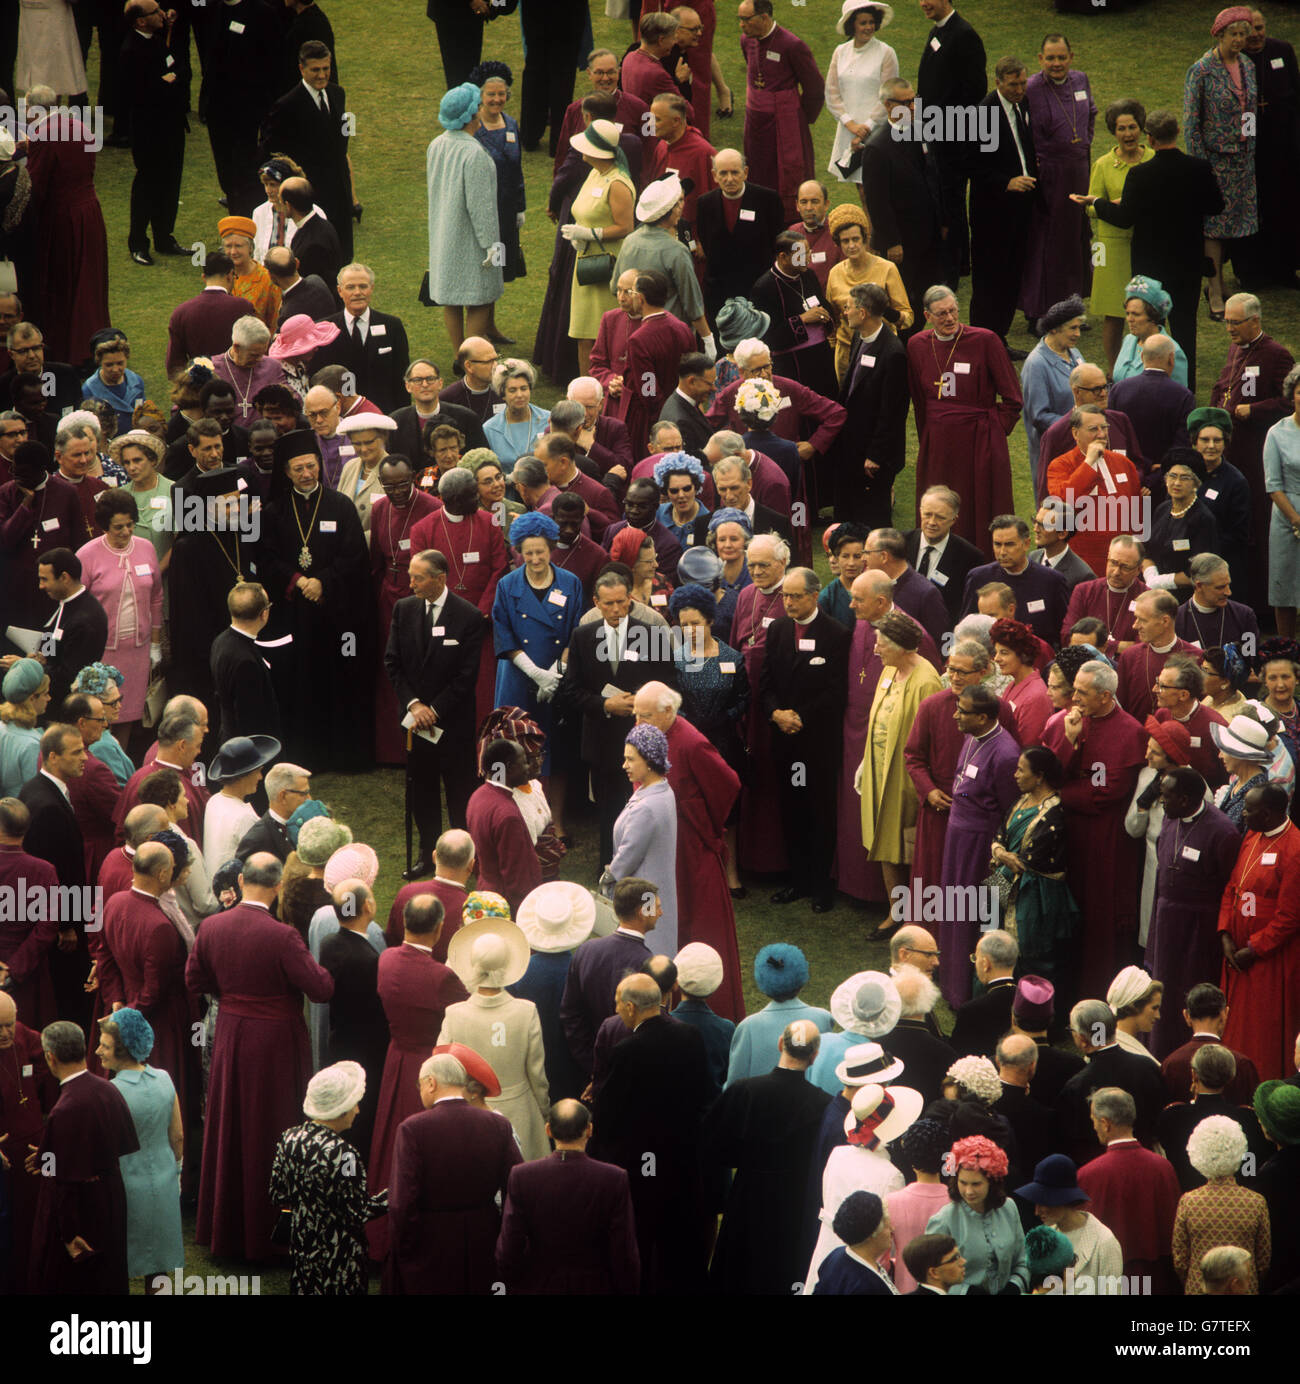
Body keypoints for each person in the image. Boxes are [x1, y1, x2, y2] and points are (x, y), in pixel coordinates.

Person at [184, 853, 332, 1261]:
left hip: (232, 1032)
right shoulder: (283, 935)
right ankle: (272, 1230)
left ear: (243, 880)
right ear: (278, 885)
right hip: (276, 1042)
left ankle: (227, 1228)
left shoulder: (212, 927)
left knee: (230, 1121)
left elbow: (195, 979)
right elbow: (320, 988)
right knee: (275, 1126)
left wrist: (232, 996)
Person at [1080, 110, 1223, 390]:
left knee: (1146, 331)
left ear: (1150, 138)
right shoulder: (1199, 168)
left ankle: (1147, 386)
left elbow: (1124, 218)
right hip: (1188, 265)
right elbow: (1217, 206)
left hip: (1151, 270)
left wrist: (1097, 202)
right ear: (1177, 133)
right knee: (1185, 331)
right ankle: (1185, 390)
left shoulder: (1140, 175)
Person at [593, 970, 714, 1294]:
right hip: (682, 1156)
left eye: (618, 1004)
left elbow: (609, 1115)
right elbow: (704, 1093)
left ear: (631, 1008)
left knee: (642, 1232)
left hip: (642, 1160)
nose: (616, 1010)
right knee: (681, 1234)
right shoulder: (691, 1036)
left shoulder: (626, 1051)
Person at [703, 1017, 831, 1293]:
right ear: (815, 1056)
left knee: (741, 1271)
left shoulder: (744, 1091)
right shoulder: (822, 1103)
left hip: (749, 1195)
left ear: (780, 1044)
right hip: (795, 1202)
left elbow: (714, 1146)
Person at [560, 571, 678, 865]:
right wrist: (605, 704)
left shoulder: (651, 635)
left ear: (631, 600)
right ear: (596, 602)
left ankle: (646, 871)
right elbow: (570, 692)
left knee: (644, 809)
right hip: (601, 741)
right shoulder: (582, 637)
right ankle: (608, 872)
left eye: (621, 603)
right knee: (609, 813)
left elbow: (668, 685)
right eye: (608, 603)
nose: (615, 610)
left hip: (642, 741)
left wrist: (640, 703)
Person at [385, 1049, 522, 1294]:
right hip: (485, 1238)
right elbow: (517, 1188)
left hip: (431, 1243)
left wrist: (405, 1249)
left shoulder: (413, 1129)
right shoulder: (499, 1125)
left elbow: (402, 1203)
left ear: (431, 1083)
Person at [907, 287, 1022, 558]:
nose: (949, 318)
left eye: (953, 311)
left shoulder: (985, 341)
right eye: (941, 314)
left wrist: (993, 430)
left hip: (979, 438)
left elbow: (1013, 398)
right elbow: (919, 400)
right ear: (927, 316)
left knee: (978, 502)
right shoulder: (917, 345)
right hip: (938, 443)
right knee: (938, 499)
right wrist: (929, 436)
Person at [762, 566, 851, 913]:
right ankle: (796, 880)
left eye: (796, 596)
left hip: (816, 743)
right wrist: (776, 714)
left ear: (815, 595)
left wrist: (802, 717)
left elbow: (836, 690)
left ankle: (821, 885)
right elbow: (766, 682)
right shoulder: (778, 630)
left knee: (819, 812)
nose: (789, 603)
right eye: (785, 595)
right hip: (785, 740)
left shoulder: (836, 634)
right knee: (791, 809)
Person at [27, 1020, 139, 1294]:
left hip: (80, 1210)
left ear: (51, 1057)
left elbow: (61, 1180)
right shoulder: (109, 1089)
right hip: (112, 1198)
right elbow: (122, 1144)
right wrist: (48, 1153)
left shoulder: (64, 1109)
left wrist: (68, 1233)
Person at [495, 1095, 639, 1294]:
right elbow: (623, 1249)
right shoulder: (614, 1178)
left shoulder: (522, 1176)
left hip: (538, 1284)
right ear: (589, 1130)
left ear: (548, 1130)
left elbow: (510, 1245)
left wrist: (514, 1281)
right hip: (596, 1285)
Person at [1146, 768, 1240, 1058]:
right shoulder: (1171, 818)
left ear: (1185, 799)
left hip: (1199, 928)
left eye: (1167, 797)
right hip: (1165, 918)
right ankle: (1160, 1053)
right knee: (1163, 988)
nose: (1162, 802)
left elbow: (1229, 888)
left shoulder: (1222, 831)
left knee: (1190, 989)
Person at [440, 922, 549, 1160]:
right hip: (520, 1111)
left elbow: (442, 1069)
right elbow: (536, 1072)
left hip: (470, 1113)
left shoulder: (454, 1013)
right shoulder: (526, 1011)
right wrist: (544, 1108)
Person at [858, 608, 944, 910]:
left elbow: (932, 740)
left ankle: (915, 913)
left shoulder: (926, 681)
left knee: (906, 843)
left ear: (901, 645)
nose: (875, 648)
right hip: (879, 767)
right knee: (882, 835)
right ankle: (896, 911)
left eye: (881, 643)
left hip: (906, 776)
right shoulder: (888, 670)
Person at [93, 1009, 182, 1293]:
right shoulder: (165, 1079)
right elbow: (177, 1136)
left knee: (118, 1260)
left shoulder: (109, 1092)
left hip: (126, 1186)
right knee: (159, 1265)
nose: (97, 1051)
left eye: (105, 1046)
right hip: (165, 1180)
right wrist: (175, 1169)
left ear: (123, 1049)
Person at [1218, 782, 1300, 1081]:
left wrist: (1254, 948)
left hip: (1268, 959)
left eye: (1249, 810)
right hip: (1237, 951)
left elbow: (1290, 917)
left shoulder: (1295, 848)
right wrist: (1225, 933)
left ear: (1267, 815)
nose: (1244, 814)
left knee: (1260, 1031)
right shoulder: (1251, 836)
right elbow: (1232, 888)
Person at [1185, 11, 1259, 319]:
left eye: (1243, 34)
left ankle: (1221, 281)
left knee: (1233, 226)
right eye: (1234, 35)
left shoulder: (1248, 66)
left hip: (1242, 159)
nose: (1240, 40)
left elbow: (1250, 109)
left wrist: (1250, 146)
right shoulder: (1201, 70)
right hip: (1214, 160)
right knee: (1214, 228)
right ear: (1219, 36)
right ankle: (1214, 290)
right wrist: (1202, 167)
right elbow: (1191, 122)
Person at [1075, 1086, 1181, 1290]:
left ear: (1105, 1124)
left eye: (1094, 1121)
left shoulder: (1088, 1175)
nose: (1094, 1127)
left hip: (1108, 1282)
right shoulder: (1163, 1168)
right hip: (1157, 1280)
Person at [967, 55, 1039, 356]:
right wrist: (1005, 181)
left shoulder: (1022, 105)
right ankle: (981, 340)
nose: (1020, 89)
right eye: (1013, 85)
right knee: (989, 279)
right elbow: (970, 162)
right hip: (991, 213)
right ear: (998, 82)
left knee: (1012, 275)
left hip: (1019, 210)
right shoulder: (982, 114)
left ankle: (999, 338)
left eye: (1023, 83)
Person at [425, 83, 503, 353]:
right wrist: (492, 246)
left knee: (452, 300)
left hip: (443, 234)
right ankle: (470, 359)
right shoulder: (474, 154)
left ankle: (461, 354)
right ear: (473, 114)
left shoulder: (436, 145)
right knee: (480, 299)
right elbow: (481, 208)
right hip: (471, 240)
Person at [915, 0, 985, 283]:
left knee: (952, 202)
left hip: (954, 139)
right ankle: (955, 260)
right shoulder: (937, 31)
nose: (923, 3)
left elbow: (974, 91)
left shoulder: (964, 35)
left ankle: (956, 265)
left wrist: (953, 132)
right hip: (936, 135)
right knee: (944, 200)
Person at [1086, 98, 1155, 371]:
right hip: (1110, 248)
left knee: (1148, 312)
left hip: (1147, 243)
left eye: (1133, 127)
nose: (1128, 134)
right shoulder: (1102, 164)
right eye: (1121, 128)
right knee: (1114, 315)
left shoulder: (1152, 158)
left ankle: (1150, 365)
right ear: (1113, 132)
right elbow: (1089, 208)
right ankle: (1115, 372)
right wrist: (1111, 205)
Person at [1055, 1004, 1170, 1166]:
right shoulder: (1147, 1067)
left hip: (1098, 1171)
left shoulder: (1077, 1086)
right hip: (1147, 1163)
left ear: (1081, 1038)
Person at [564, 117, 636, 375]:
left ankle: (604, 386)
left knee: (603, 334)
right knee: (583, 331)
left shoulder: (617, 183)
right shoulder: (595, 173)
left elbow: (626, 226)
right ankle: (586, 386)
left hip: (607, 266)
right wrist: (580, 235)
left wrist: (591, 233)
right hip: (586, 261)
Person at [925, 1135, 1028, 1294]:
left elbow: (1022, 1260)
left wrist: (1015, 1284)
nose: (969, 1191)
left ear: (992, 1182)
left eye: (976, 1184)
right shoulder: (944, 1220)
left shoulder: (1009, 1208)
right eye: (963, 1183)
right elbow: (932, 1278)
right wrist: (965, 1291)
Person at [1017, 1154, 1123, 1289]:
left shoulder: (1104, 1243)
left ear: (1063, 1199)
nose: (1037, 1212)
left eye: (1043, 1202)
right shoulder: (1047, 1238)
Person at [824, 3, 898, 194]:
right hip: (850, 130)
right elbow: (832, 93)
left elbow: (889, 96)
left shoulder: (886, 53)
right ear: (852, 25)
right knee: (862, 189)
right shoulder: (840, 52)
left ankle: (879, 225)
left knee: (876, 189)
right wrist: (850, 124)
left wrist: (866, 128)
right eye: (863, 23)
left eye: (872, 22)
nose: (868, 27)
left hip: (876, 132)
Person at [1020, 298, 1086, 468]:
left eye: (1079, 328)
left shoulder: (1075, 353)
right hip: (1055, 450)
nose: (1078, 334)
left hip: (1080, 444)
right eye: (1073, 328)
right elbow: (1039, 416)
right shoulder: (1036, 364)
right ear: (1054, 329)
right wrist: (1079, 423)